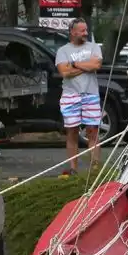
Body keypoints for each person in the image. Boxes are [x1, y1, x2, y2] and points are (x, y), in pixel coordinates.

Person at [55, 18, 103, 174]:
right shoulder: (63, 51)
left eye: (86, 30)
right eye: (82, 31)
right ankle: (73, 169)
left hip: (91, 94)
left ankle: (95, 168)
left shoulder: (94, 47)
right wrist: (85, 66)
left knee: (93, 131)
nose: (86, 33)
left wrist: (74, 64)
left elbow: (96, 65)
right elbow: (64, 72)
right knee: (72, 132)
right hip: (70, 95)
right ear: (73, 32)